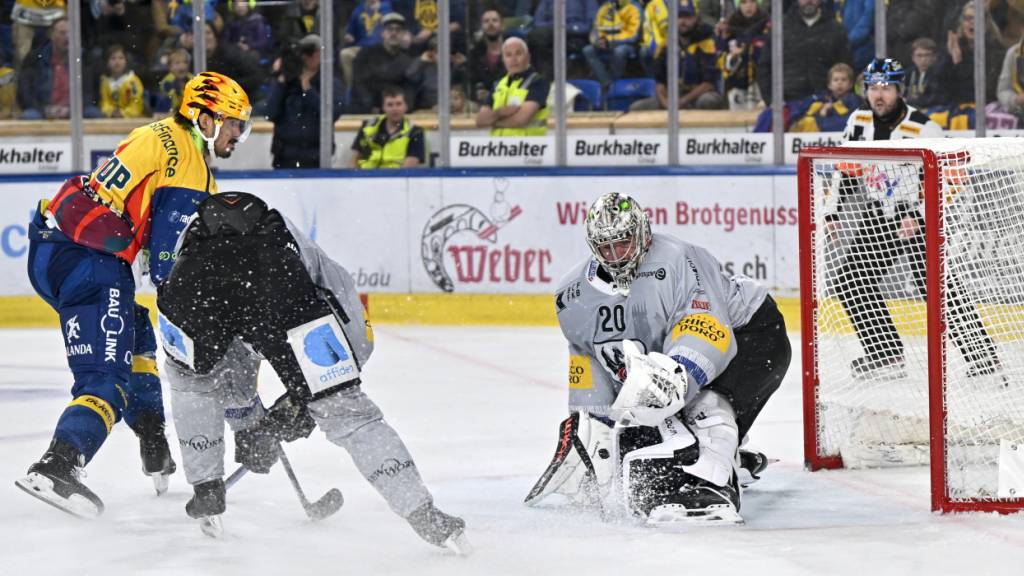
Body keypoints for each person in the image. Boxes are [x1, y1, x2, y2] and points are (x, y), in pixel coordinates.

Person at [156, 191, 469, 553]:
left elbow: (218, 358)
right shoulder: (289, 241)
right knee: (350, 413)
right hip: (275, 281)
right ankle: (423, 514)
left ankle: (207, 489)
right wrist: (314, 396)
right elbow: (341, 304)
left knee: (191, 380)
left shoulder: (193, 239)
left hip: (194, 289)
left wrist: (252, 425)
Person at [14, 72, 253, 518]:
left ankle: (150, 434)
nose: (239, 133)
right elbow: (165, 266)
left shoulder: (160, 134)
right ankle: (58, 464)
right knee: (105, 380)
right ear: (205, 118)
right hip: (90, 261)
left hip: (56, 247)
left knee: (135, 328)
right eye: (233, 123)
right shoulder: (190, 163)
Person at [525, 192, 790, 524]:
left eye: (623, 243)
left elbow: (709, 330)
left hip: (753, 338)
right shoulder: (571, 296)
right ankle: (727, 453)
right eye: (606, 247)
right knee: (642, 435)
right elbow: (588, 361)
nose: (616, 255)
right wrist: (590, 427)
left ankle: (714, 481)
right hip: (680, 356)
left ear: (643, 233)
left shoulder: (680, 259)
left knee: (704, 408)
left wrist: (676, 374)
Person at [828, 58, 1000, 379]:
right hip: (880, 213)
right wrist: (833, 212)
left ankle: (982, 357)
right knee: (851, 281)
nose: (879, 95)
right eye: (873, 88)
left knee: (933, 286)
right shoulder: (858, 120)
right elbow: (846, 169)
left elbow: (953, 176)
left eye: (887, 88)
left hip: (919, 218)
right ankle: (886, 355)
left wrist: (919, 215)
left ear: (899, 90)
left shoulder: (924, 127)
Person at [266, 34, 345, 169]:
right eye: (304, 53)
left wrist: (308, 89)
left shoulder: (329, 82)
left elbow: (332, 114)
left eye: (312, 53)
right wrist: (280, 80)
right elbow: (270, 113)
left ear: (320, 55)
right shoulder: (285, 82)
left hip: (317, 155)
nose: (306, 57)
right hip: (285, 156)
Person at [629, 2, 725, 111]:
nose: (683, 22)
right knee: (637, 108)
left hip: (699, 96)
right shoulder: (666, 44)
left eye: (687, 17)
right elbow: (660, 82)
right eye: (679, 17)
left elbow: (710, 84)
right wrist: (666, 103)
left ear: (696, 19)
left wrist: (683, 101)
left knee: (707, 101)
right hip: (674, 97)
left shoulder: (707, 42)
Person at [756, 0, 851, 105]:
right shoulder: (780, 28)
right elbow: (764, 67)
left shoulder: (836, 29)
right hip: (788, 104)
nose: (809, 1)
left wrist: (840, 101)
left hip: (827, 104)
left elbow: (846, 67)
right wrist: (771, 100)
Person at [475, 37, 550, 136]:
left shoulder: (537, 82)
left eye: (518, 53)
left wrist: (494, 122)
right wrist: (500, 112)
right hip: (498, 148)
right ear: (503, 59)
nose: (514, 59)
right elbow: (481, 121)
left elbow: (521, 119)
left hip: (528, 148)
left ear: (528, 57)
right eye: (508, 55)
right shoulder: (497, 85)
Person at [350, 12, 415, 114]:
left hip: (397, 110)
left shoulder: (408, 59)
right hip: (368, 111)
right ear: (382, 33)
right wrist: (371, 108)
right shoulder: (366, 54)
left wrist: (405, 108)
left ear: (403, 34)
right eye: (389, 29)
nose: (393, 33)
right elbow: (359, 84)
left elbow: (410, 88)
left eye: (398, 30)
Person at [350, 86, 425, 169]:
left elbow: (409, 167)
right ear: (383, 107)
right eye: (390, 105)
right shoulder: (368, 127)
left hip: (397, 179)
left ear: (406, 107)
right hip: (365, 177)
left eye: (398, 104)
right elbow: (354, 160)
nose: (394, 109)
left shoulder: (415, 132)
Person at [582, 0, 643, 88]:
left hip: (628, 44)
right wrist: (599, 39)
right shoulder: (605, 7)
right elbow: (596, 28)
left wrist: (609, 41)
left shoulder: (634, 7)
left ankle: (615, 83)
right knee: (588, 50)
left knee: (619, 51)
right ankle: (607, 82)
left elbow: (633, 36)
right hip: (606, 43)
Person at [788, 62, 860, 132]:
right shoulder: (819, 99)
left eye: (844, 80)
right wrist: (821, 112)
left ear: (850, 84)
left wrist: (826, 113)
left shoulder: (855, 101)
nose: (839, 83)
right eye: (836, 80)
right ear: (829, 85)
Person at [99, 44, 146, 118]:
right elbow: (104, 103)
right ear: (107, 62)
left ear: (126, 61)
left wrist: (123, 113)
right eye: (113, 58)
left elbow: (136, 105)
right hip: (111, 119)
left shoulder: (133, 81)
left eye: (121, 58)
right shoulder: (105, 82)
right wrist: (111, 112)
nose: (117, 62)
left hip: (133, 120)